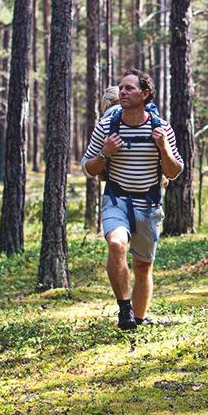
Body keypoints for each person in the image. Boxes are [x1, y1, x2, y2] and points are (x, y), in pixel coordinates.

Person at [81, 69, 184, 330]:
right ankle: (124, 308)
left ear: (145, 94)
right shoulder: (106, 126)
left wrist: (163, 148)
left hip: (148, 202)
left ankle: (137, 321)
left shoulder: (161, 128)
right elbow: (88, 168)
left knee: (142, 266)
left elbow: (174, 171)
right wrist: (105, 154)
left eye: (129, 88)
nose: (123, 92)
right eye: (121, 88)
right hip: (117, 198)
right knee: (116, 245)